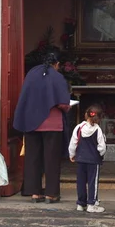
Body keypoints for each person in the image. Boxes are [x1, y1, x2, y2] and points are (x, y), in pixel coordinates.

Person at [13, 50, 71, 204]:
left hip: (31, 123)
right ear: (56, 64)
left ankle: (34, 193)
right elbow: (63, 103)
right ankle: (51, 194)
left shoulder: (31, 75)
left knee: (33, 158)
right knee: (51, 160)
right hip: (53, 125)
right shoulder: (57, 77)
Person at [68, 104, 106, 213]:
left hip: (80, 159)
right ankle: (91, 203)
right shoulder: (98, 130)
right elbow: (102, 147)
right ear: (99, 118)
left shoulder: (79, 128)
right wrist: (101, 155)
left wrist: (72, 155)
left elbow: (73, 143)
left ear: (86, 115)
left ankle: (80, 203)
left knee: (81, 181)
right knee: (92, 182)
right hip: (93, 160)